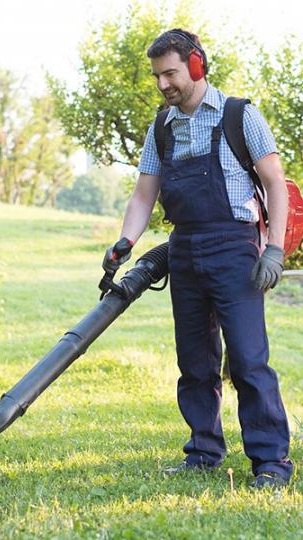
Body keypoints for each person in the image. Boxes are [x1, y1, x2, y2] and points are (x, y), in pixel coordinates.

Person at [103, 29, 293, 488]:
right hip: (184, 250)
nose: (163, 84)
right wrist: (124, 243)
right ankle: (204, 451)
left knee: (248, 359)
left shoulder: (239, 115)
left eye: (170, 73)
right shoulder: (161, 126)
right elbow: (144, 192)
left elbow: (275, 183)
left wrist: (274, 249)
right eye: (157, 76)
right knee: (195, 362)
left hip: (235, 247)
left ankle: (270, 462)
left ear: (194, 65)